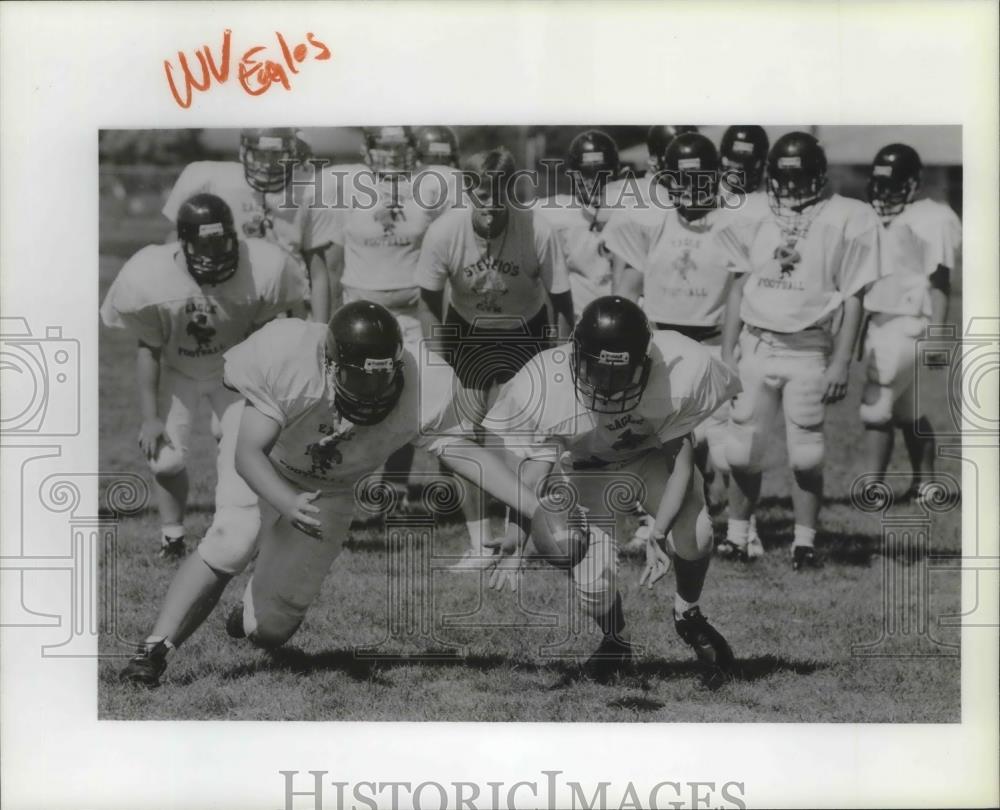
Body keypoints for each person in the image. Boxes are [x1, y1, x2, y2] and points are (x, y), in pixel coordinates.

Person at [119, 301, 543, 686]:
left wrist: (536, 509)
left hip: (331, 488)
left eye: (382, 378)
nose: (372, 392)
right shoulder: (289, 355)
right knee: (234, 537)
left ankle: (249, 609)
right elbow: (248, 454)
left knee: (269, 632)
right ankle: (155, 649)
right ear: (329, 364)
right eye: (359, 377)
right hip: (267, 462)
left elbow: (466, 454)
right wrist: (285, 501)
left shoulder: (426, 382)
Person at [453, 296, 741, 681]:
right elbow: (534, 475)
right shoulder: (544, 383)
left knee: (697, 533)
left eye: (619, 374)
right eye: (596, 371)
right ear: (575, 356)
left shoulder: (681, 365)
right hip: (585, 472)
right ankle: (615, 640)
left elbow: (682, 464)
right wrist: (514, 538)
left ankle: (688, 614)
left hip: (652, 460)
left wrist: (658, 531)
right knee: (592, 583)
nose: (606, 386)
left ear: (644, 361)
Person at [100, 193, 305, 560]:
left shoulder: (261, 266)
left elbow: (266, 331)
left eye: (221, 241)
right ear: (183, 242)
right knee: (165, 460)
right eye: (203, 243)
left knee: (242, 456)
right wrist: (149, 417)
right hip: (179, 373)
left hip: (232, 374)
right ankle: (173, 537)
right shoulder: (148, 276)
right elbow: (149, 348)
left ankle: (234, 533)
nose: (214, 252)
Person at [714, 132, 881, 569]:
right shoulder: (751, 211)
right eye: (782, 179)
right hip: (756, 340)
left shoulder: (848, 215)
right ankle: (736, 535)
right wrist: (728, 349)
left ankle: (804, 541)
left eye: (798, 178)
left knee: (806, 453)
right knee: (742, 448)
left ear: (819, 176)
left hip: (808, 346)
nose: (789, 187)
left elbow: (855, 295)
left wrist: (842, 360)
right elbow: (737, 284)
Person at [416, 147, 574, 561]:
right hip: (467, 331)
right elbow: (429, 301)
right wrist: (436, 363)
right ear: (467, 190)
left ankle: (519, 537)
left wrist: (559, 363)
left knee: (520, 437)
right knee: (460, 434)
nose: (490, 202)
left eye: (499, 192)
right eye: (480, 192)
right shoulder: (444, 232)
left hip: (527, 330)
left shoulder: (539, 229)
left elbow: (563, 303)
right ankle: (478, 543)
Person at [606, 131, 760, 553]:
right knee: (653, 443)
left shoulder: (733, 224)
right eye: (683, 180)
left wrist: (730, 350)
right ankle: (653, 524)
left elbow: (737, 290)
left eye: (701, 180)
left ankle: (744, 529)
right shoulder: (649, 221)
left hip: (711, 344)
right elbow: (627, 285)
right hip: (662, 344)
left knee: (728, 448)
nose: (692, 190)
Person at [858, 143, 961, 501]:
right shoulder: (877, 218)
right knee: (907, 410)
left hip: (906, 322)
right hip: (885, 321)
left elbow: (940, 280)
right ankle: (926, 484)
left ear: (913, 183)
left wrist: (938, 337)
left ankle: (871, 488)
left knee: (876, 405)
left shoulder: (931, 217)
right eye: (881, 184)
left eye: (894, 184)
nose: (885, 192)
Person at [162, 127, 334, 317]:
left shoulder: (310, 188)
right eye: (261, 155)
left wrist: (319, 330)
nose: (268, 164)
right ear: (244, 152)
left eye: (277, 155)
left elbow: (318, 269)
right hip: (230, 301)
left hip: (288, 302)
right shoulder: (210, 178)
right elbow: (174, 242)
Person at [535, 129, 628, 316]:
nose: (594, 182)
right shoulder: (556, 211)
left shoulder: (635, 212)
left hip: (626, 318)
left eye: (602, 173)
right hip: (580, 322)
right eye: (586, 174)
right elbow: (506, 207)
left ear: (620, 174)